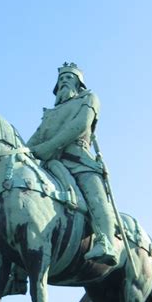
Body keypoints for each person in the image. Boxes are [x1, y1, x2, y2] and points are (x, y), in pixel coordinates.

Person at [28, 62, 121, 266]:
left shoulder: (88, 98)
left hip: (79, 160)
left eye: (68, 78)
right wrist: (21, 151)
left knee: (95, 196)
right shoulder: (50, 114)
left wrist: (50, 146)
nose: (63, 82)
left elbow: (80, 125)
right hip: (50, 164)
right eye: (61, 80)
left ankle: (106, 242)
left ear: (79, 83)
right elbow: (36, 139)